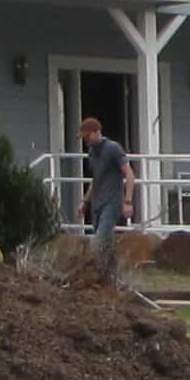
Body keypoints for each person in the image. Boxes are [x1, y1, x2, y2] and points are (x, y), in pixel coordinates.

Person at [79, 111, 130, 268]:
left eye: (87, 136)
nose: (86, 140)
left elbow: (129, 174)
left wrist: (127, 201)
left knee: (99, 241)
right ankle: (113, 276)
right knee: (105, 245)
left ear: (96, 132)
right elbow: (96, 180)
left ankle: (89, 272)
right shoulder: (92, 153)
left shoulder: (113, 148)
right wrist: (84, 201)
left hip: (112, 202)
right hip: (97, 203)